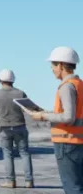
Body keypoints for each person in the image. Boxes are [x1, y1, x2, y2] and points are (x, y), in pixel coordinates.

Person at [28, 47, 83, 194]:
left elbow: (68, 117)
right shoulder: (80, 84)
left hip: (67, 143)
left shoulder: (66, 86)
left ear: (60, 65)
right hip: (78, 142)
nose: (52, 69)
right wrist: (49, 112)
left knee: (72, 187)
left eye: (52, 65)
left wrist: (42, 116)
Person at [0, 68, 34, 188]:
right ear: (13, 80)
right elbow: (28, 107)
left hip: (4, 128)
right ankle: (29, 181)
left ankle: (11, 181)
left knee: (8, 154)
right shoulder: (20, 93)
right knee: (24, 153)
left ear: (0, 80)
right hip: (20, 126)